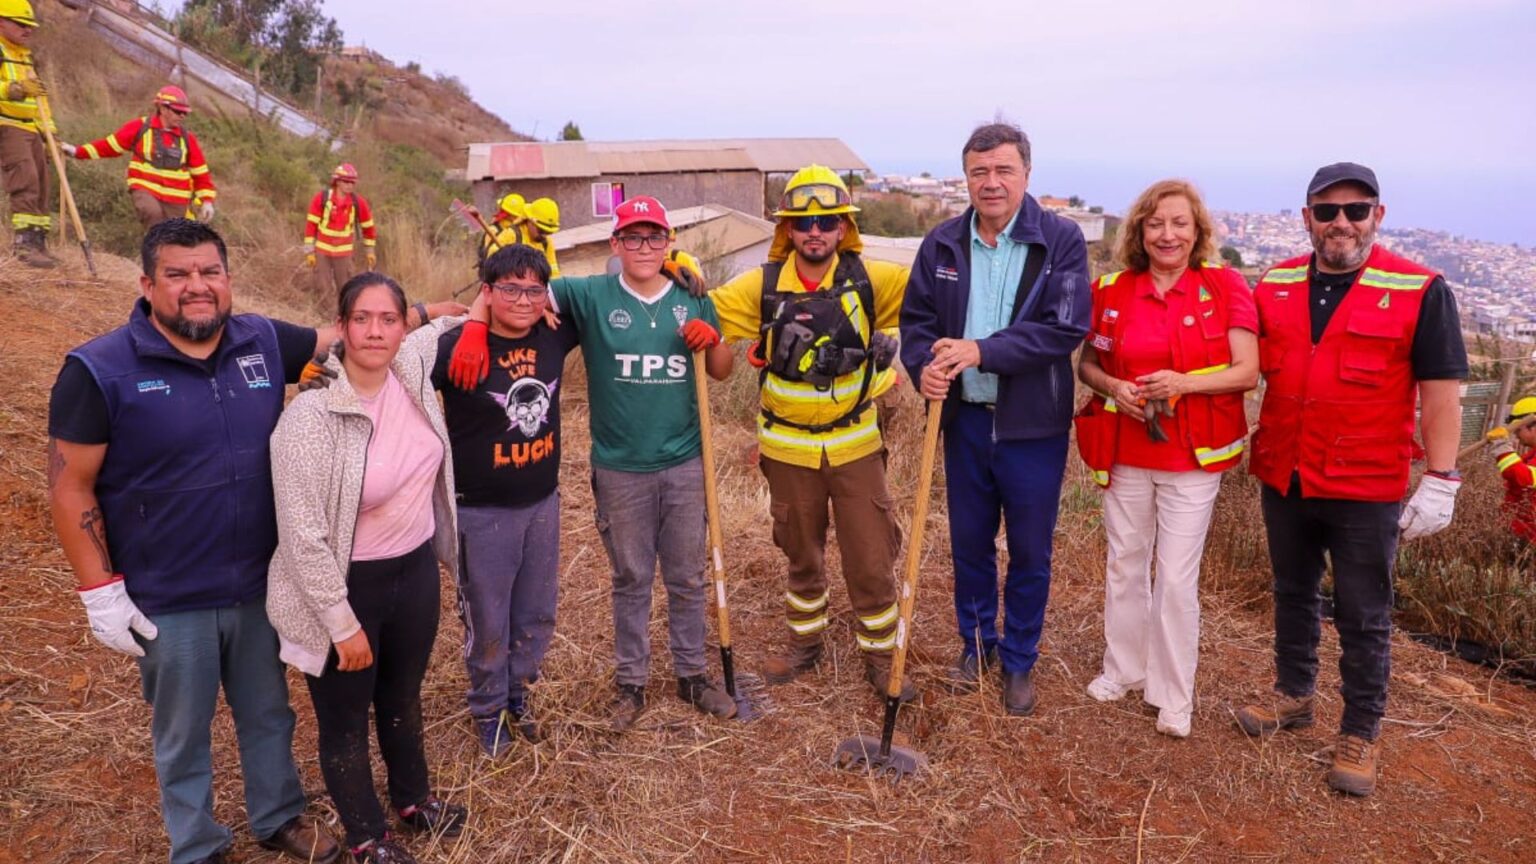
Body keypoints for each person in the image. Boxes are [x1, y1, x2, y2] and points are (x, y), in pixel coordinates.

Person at [47, 219, 342, 864]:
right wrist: (101, 592)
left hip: (258, 584)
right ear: (148, 284)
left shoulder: (260, 341)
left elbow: (345, 332)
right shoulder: (100, 370)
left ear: (228, 280)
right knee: (182, 731)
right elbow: (71, 489)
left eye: (209, 272)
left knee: (268, 711)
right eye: (178, 275)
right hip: (168, 594)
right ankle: (198, 841)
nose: (197, 287)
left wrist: (441, 312)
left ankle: (279, 815)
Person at [449, 194, 735, 731]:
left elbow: (722, 370)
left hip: (684, 462)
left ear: (669, 242)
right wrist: (470, 324)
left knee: (687, 576)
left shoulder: (693, 296)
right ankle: (631, 682)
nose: (644, 246)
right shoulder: (589, 294)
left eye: (655, 237)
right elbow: (518, 290)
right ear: (616, 244)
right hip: (619, 465)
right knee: (630, 577)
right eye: (633, 237)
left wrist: (713, 338)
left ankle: (693, 674)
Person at [1235, 162, 1468, 798]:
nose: (1341, 222)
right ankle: (1293, 693)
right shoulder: (1275, 281)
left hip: (1366, 483)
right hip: (1286, 469)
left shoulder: (1421, 288)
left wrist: (1441, 477)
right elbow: (1239, 364)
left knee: (1364, 613)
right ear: (1306, 216)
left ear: (1378, 216)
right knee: (1292, 591)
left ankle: (1360, 729)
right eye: (1327, 210)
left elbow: (1441, 393)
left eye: (1355, 210)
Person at [267, 272, 468, 864]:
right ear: (342, 326)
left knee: (403, 695)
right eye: (362, 319)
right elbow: (301, 536)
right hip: (346, 583)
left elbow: (493, 304)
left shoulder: (410, 371)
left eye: (389, 319)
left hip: (413, 571)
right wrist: (340, 621)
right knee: (346, 717)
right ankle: (366, 836)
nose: (376, 331)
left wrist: (678, 278)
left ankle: (413, 800)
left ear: (405, 325)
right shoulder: (309, 420)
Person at [899, 122, 1091, 716]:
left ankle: (1019, 660)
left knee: (1030, 551)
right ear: (966, 178)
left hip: (1032, 426)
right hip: (965, 422)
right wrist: (923, 370)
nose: (991, 183)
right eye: (980, 172)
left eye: (1004, 170)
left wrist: (982, 350)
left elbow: (1063, 329)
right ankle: (976, 645)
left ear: (1026, 175)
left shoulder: (1059, 241)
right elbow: (918, 324)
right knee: (970, 545)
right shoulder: (942, 245)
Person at [709, 164, 911, 699]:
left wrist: (899, 343)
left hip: (856, 447)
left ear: (844, 227)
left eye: (827, 222)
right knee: (800, 551)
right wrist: (680, 270)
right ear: (788, 231)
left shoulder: (875, 279)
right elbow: (700, 312)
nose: (815, 232)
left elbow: (936, 299)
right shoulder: (763, 284)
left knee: (870, 557)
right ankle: (806, 644)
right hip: (787, 448)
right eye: (803, 223)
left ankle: (880, 656)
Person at [1074, 179, 1258, 738]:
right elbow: (1086, 365)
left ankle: (1174, 694)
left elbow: (1246, 371)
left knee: (1176, 579)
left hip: (1193, 457)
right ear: (1139, 231)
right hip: (1125, 449)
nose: (1167, 234)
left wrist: (1184, 381)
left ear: (1197, 230)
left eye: (1179, 223)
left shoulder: (1225, 285)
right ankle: (1123, 670)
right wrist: (1113, 389)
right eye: (1155, 224)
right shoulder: (1110, 289)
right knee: (1125, 564)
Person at [430, 243, 577, 757]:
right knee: (488, 619)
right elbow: (388, 357)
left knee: (536, 612)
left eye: (533, 290)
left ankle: (519, 696)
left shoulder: (555, 334)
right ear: (487, 292)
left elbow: (619, 284)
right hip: (480, 509)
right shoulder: (452, 350)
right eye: (508, 289)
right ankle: (487, 710)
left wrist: (676, 264)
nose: (522, 299)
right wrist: (472, 323)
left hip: (542, 502)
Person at [64, 84, 216, 229]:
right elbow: (109, 146)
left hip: (177, 198)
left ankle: (156, 254)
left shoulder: (187, 139)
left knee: (176, 237)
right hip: (145, 188)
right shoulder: (139, 127)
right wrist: (77, 151)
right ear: (162, 108)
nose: (182, 116)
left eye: (185, 113)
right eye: (178, 111)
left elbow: (200, 173)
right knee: (152, 213)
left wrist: (207, 201)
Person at [0, 0, 56, 267]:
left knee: (43, 183)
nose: (27, 30)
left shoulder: (25, 56)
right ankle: (24, 245)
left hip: (31, 127)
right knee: (26, 178)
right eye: (21, 24)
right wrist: (15, 89)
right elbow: (15, 91)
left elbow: (41, 100)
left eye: (30, 25)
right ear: (1, 21)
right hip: (7, 125)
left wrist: (50, 133)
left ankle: (38, 243)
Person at [304, 162, 377, 295]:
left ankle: (344, 314)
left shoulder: (358, 202)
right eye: (346, 182)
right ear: (337, 181)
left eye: (352, 183)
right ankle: (326, 315)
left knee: (346, 289)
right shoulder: (322, 198)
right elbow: (311, 225)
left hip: (344, 253)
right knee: (322, 287)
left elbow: (368, 228)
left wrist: (370, 251)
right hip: (322, 252)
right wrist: (309, 252)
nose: (350, 185)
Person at [1488, 397, 1536, 543]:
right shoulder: (1531, 454)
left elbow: (1524, 478)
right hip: (1522, 533)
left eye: (1518, 430)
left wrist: (1502, 448)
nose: (1515, 434)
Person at [521, 196, 561, 277]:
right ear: (530, 221)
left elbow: (553, 273)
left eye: (548, 232)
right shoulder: (512, 235)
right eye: (541, 231)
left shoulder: (546, 242)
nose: (544, 235)